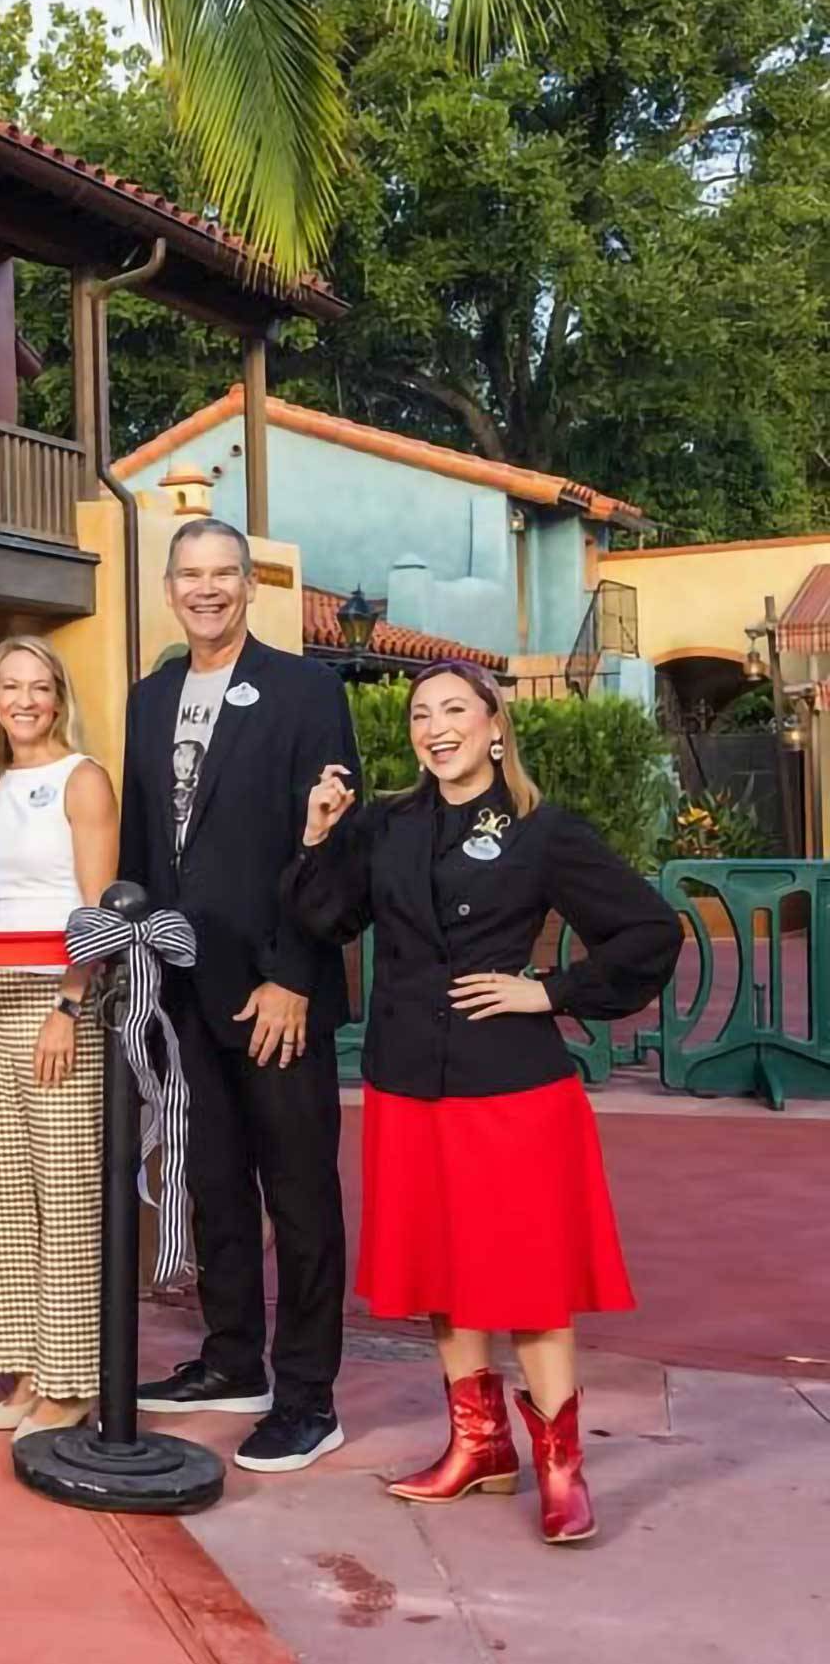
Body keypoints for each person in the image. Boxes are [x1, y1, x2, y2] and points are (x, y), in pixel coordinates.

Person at [286, 661, 677, 1544]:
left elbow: (651, 929)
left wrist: (552, 990)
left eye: (454, 708)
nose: (436, 725)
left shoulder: (541, 830)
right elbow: (322, 920)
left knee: (529, 1279)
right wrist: (318, 837)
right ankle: (480, 1443)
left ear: (495, 723)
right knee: (440, 1271)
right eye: (422, 713)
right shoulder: (387, 823)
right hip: (407, 1079)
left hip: (511, 1085)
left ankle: (562, 1465)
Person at [120, 517, 360, 1474]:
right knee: (213, 1183)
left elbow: (334, 841)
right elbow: (145, 848)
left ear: (249, 584)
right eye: (191, 575)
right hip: (181, 996)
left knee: (298, 1197)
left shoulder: (307, 691)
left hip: (276, 993)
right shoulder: (147, 699)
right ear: (169, 587)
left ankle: (308, 1396)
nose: (206, 589)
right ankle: (232, 1362)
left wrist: (295, 974)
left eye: (224, 574)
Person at [0, 636, 116, 1445]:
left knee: (66, 1187)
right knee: (3, 1191)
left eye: (39, 686)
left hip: (56, 1000)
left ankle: (73, 1377)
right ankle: (27, 1366)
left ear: (59, 695)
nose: (24, 700)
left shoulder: (82, 779)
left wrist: (69, 1006)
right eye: (9, 685)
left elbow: (96, 906)